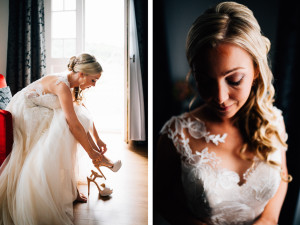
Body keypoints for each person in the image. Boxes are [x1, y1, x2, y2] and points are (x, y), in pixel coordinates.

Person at [154, 2, 291, 225]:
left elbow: (282, 176)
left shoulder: (274, 120)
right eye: (206, 80)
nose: (219, 97)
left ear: (256, 69)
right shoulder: (175, 135)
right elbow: (161, 197)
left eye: (234, 80)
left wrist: (269, 218)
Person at [0, 53, 121, 225]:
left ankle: (91, 166)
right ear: (82, 74)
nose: (94, 85)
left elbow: (84, 113)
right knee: (64, 130)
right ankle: (97, 160)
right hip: (24, 112)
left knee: (75, 119)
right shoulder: (62, 85)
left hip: (40, 108)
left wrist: (98, 139)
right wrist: (91, 152)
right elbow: (74, 124)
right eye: (93, 80)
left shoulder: (71, 82)